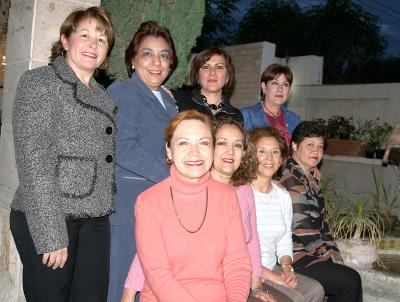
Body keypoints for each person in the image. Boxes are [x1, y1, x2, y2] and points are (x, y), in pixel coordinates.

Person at [11, 7, 115, 302]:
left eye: (102, 39)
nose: (93, 44)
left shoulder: (103, 96)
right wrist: (51, 234)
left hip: (95, 219)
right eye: (85, 35)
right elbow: (33, 162)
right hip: (49, 215)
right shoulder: (40, 83)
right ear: (65, 40)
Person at [135, 110, 252, 301]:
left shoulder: (227, 197)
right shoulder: (148, 202)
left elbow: (237, 262)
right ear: (169, 150)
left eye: (203, 143)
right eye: (183, 143)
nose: (194, 152)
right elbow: (157, 273)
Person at [106, 21, 178, 302]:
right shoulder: (122, 92)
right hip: (128, 209)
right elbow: (123, 147)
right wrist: (175, 177)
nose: (156, 62)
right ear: (132, 60)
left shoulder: (168, 100)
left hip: (159, 209)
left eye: (163, 55)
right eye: (147, 53)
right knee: (122, 286)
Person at [236, 127, 325, 302]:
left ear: (281, 159)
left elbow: (285, 238)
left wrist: (286, 268)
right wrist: (275, 277)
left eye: (275, 152)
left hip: (271, 267)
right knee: (295, 298)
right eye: (262, 151)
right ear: (250, 156)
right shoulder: (241, 193)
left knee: (316, 290)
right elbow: (240, 251)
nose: (269, 158)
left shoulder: (283, 195)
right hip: (247, 272)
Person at [279, 121, 362, 301]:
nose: (316, 151)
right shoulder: (290, 178)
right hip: (294, 255)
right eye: (309, 145)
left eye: (320, 146)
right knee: (349, 280)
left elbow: (323, 226)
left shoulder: (311, 179)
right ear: (294, 145)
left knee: (347, 277)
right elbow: (304, 230)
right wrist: (331, 256)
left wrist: (335, 253)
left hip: (309, 251)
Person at [174, 47, 243, 122]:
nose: (212, 72)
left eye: (219, 67)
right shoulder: (178, 100)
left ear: (227, 77)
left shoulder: (236, 115)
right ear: (197, 76)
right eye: (206, 67)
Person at [241, 64, 300, 147]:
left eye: (285, 84)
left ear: (289, 91)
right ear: (264, 87)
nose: (280, 89)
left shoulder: (294, 120)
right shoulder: (246, 115)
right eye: (275, 83)